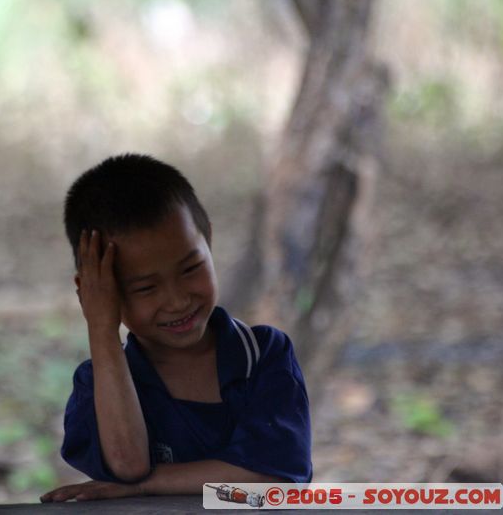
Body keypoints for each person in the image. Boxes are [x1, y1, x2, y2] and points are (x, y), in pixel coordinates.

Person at [42, 153, 311, 502]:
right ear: (98, 291)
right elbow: (128, 464)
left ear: (208, 238)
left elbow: (272, 475)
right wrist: (102, 328)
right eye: (145, 288)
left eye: (189, 269)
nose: (177, 300)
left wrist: (147, 486)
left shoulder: (262, 355)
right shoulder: (98, 384)